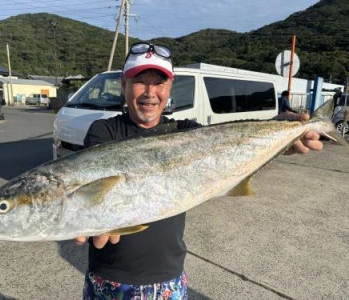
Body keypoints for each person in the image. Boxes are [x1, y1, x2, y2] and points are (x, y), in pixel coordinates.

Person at [75, 42, 323, 299]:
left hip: (167, 279)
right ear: (123, 84)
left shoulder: (187, 132)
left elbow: (230, 144)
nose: (150, 93)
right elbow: (93, 175)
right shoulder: (104, 131)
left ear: (170, 87)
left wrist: (280, 139)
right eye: (140, 81)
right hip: (108, 278)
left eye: (159, 83)